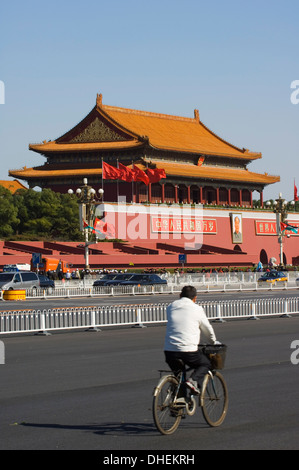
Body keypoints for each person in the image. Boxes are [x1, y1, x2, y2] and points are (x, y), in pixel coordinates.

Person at [164, 285, 218, 395]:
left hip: (169, 350)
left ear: (180, 296)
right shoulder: (197, 309)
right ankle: (193, 381)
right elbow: (207, 329)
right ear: (195, 298)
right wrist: (213, 342)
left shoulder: (170, 307)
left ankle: (178, 402)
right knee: (205, 364)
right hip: (188, 350)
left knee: (179, 375)